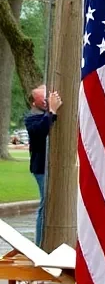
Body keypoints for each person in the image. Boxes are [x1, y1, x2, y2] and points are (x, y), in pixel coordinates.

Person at [24, 85, 61, 245]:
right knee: (45, 205)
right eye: (42, 98)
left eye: (47, 96)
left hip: (58, 166)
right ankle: (40, 244)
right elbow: (40, 131)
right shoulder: (31, 118)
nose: (46, 100)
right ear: (34, 102)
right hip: (41, 168)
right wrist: (52, 111)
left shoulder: (47, 112)